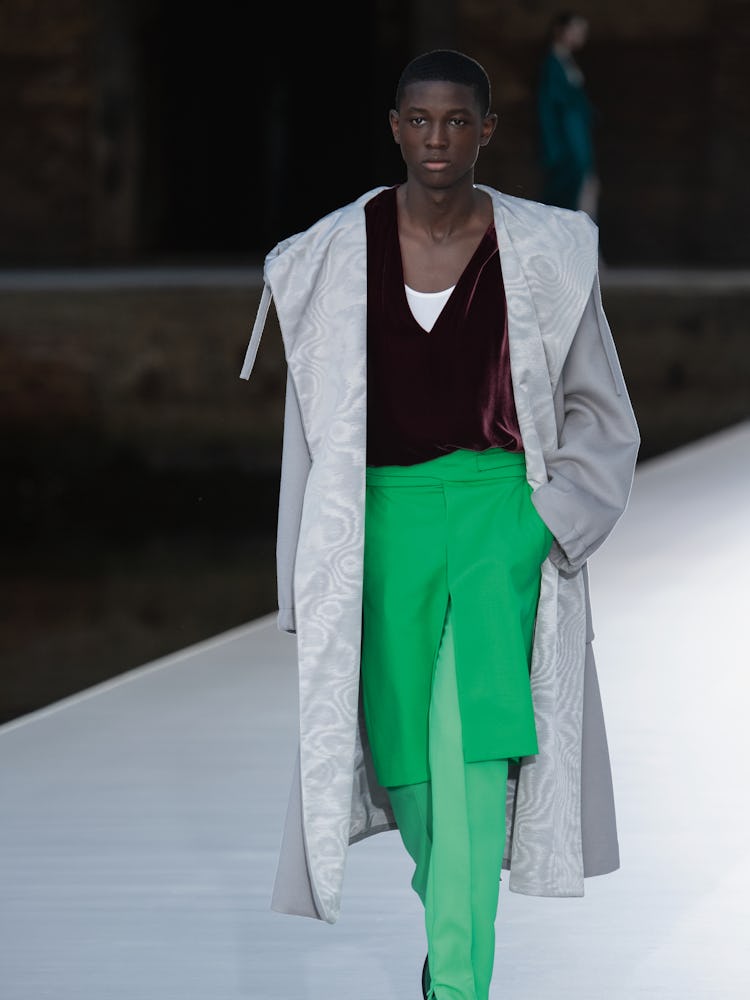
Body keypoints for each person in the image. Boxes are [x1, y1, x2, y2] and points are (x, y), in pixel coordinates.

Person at [240, 49, 639, 1000]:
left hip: (500, 517)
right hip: (383, 527)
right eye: (419, 120)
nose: (437, 139)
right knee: (409, 767)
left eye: (457, 121)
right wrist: (304, 562)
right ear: (394, 128)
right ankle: (449, 917)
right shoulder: (333, 255)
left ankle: (456, 982)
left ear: (487, 132)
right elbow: (313, 430)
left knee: (471, 754)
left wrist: (546, 522)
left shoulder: (542, 250)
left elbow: (598, 407)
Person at [537, 11, 600, 219]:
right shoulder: (552, 65)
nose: (580, 35)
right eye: (575, 29)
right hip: (566, 141)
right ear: (560, 30)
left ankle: (588, 245)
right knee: (565, 194)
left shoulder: (567, 63)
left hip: (577, 138)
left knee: (585, 186)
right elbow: (548, 109)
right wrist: (553, 147)